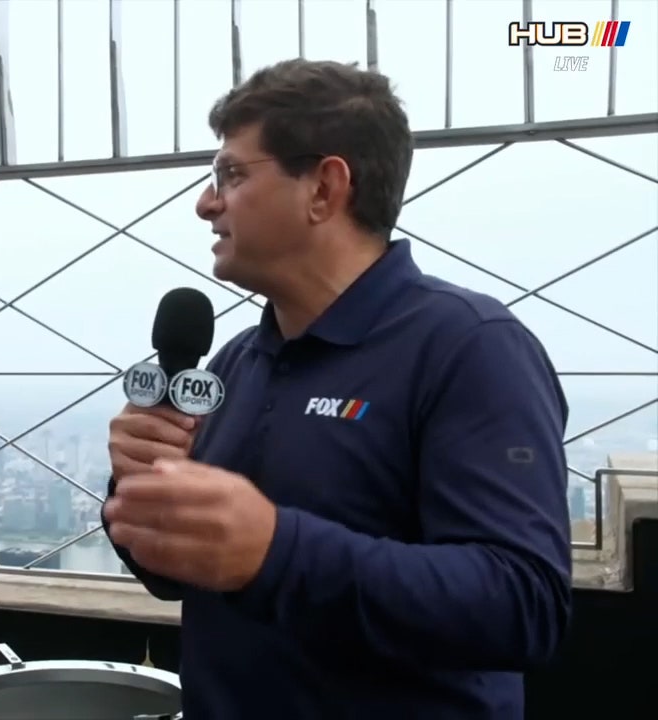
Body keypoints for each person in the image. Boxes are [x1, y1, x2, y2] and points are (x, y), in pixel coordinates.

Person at [102, 59, 572, 719]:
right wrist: (134, 494)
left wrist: (276, 550)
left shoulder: (470, 346)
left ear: (324, 187)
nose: (206, 203)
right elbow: (175, 576)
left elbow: (523, 605)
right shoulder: (236, 363)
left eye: (232, 175)